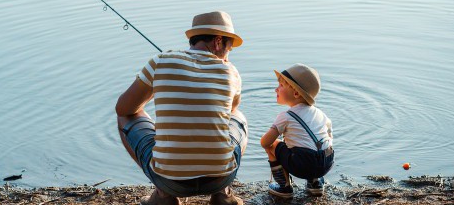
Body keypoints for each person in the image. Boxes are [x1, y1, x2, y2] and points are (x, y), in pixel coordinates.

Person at [115, 11, 248, 205]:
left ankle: (163, 194)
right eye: (229, 48)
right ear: (218, 42)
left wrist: (158, 88)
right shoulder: (231, 72)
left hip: (170, 181)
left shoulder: (161, 61)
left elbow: (123, 108)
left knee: (124, 117)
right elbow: (232, 110)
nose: (227, 55)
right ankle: (223, 194)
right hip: (220, 177)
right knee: (239, 117)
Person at [260, 64, 334, 198]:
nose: (275, 89)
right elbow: (329, 136)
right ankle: (315, 183)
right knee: (315, 145)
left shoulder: (285, 116)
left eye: (281, 86)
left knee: (274, 145)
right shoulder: (321, 114)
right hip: (327, 161)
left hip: (303, 164)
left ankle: (284, 187)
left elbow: (265, 142)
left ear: (296, 93)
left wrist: (278, 144)